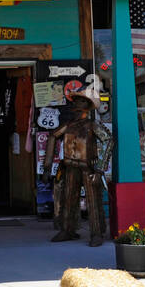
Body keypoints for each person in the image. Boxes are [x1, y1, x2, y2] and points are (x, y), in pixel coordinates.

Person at [48, 94, 106, 247]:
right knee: (68, 198)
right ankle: (67, 229)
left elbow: (108, 140)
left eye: (80, 104)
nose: (76, 107)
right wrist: (48, 165)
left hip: (88, 167)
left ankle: (96, 233)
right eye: (75, 104)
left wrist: (100, 169)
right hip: (70, 166)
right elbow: (53, 136)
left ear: (86, 107)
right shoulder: (69, 125)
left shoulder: (92, 125)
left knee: (93, 200)